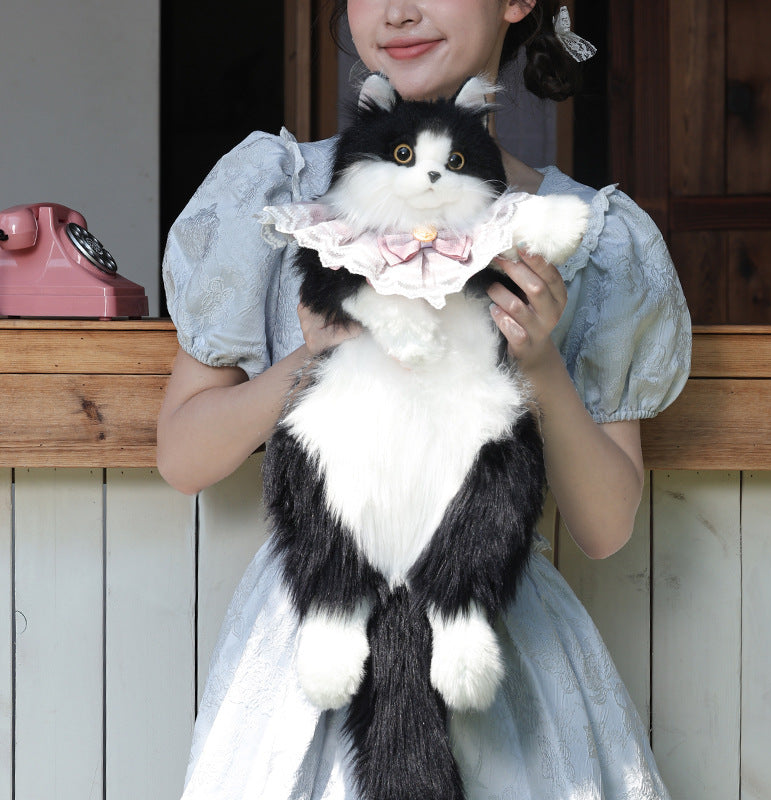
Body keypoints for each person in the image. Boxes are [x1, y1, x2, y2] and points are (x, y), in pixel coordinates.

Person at [158, 1, 691, 797]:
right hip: (315, 626)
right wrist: (310, 354)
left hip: (496, 635)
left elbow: (606, 528)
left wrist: (539, 364)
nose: (398, 10)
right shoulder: (279, 193)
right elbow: (183, 456)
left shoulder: (589, 237)